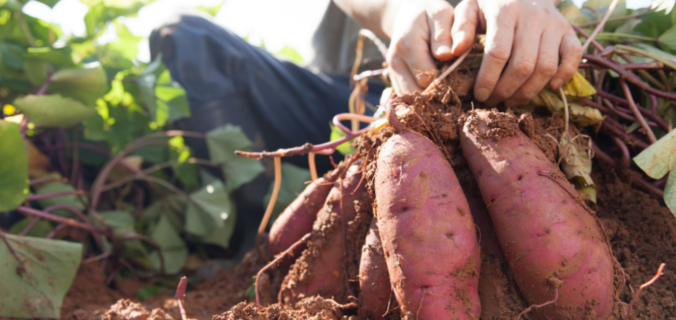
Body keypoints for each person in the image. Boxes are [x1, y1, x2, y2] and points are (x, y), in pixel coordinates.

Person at [149, 0, 581, 259]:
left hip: (508, 103)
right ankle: (256, 245)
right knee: (185, 38)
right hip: (361, 101)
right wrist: (400, 11)